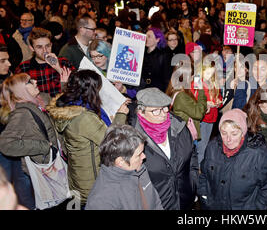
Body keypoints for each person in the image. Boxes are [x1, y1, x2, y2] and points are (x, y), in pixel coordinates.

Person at [47, 70, 129, 206]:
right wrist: (120, 115)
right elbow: (111, 141)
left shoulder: (68, 106)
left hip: (78, 173)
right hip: (92, 179)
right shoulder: (83, 117)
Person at [198, 109, 267, 210]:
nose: (228, 139)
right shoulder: (213, 147)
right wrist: (205, 197)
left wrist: (256, 208)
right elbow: (203, 175)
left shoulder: (257, 154)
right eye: (224, 133)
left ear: (243, 132)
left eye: (234, 134)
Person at [0, 73, 61, 210]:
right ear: (22, 90)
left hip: (50, 165)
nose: (35, 81)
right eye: (29, 81)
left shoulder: (37, 101)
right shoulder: (22, 113)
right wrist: (43, 146)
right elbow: (6, 144)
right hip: (43, 167)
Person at [134, 87, 199, 210]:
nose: (163, 114)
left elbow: (192, 154)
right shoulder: (132, 138)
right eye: (156, 111)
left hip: (185, 201)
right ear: (141, 112)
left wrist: (193, 182)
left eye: (165, 108)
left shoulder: (179, 127)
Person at [85, 124, 163, 210]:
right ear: (120, 161)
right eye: (139, 154)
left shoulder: (139, 168)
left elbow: (155, 202)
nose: (144, 156)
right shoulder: (101, 200)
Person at [15, 27, 75, 97]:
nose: (45, 50)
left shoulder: (63, 62)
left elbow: (78, 85)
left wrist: (59, 68)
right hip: (38, 106)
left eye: (47, 46)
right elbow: (18, 94)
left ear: (51, 45)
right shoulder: (24, 68)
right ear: (32, 48)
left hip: (62, 105)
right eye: (39, 47)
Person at [140, 29, 172, 93]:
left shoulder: (163, 55)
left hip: (158, 91)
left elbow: (167, 77)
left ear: (157, 40)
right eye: (145, 36)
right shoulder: (141, 53)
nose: (146, 38)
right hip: (142, 90)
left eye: (149, 36)